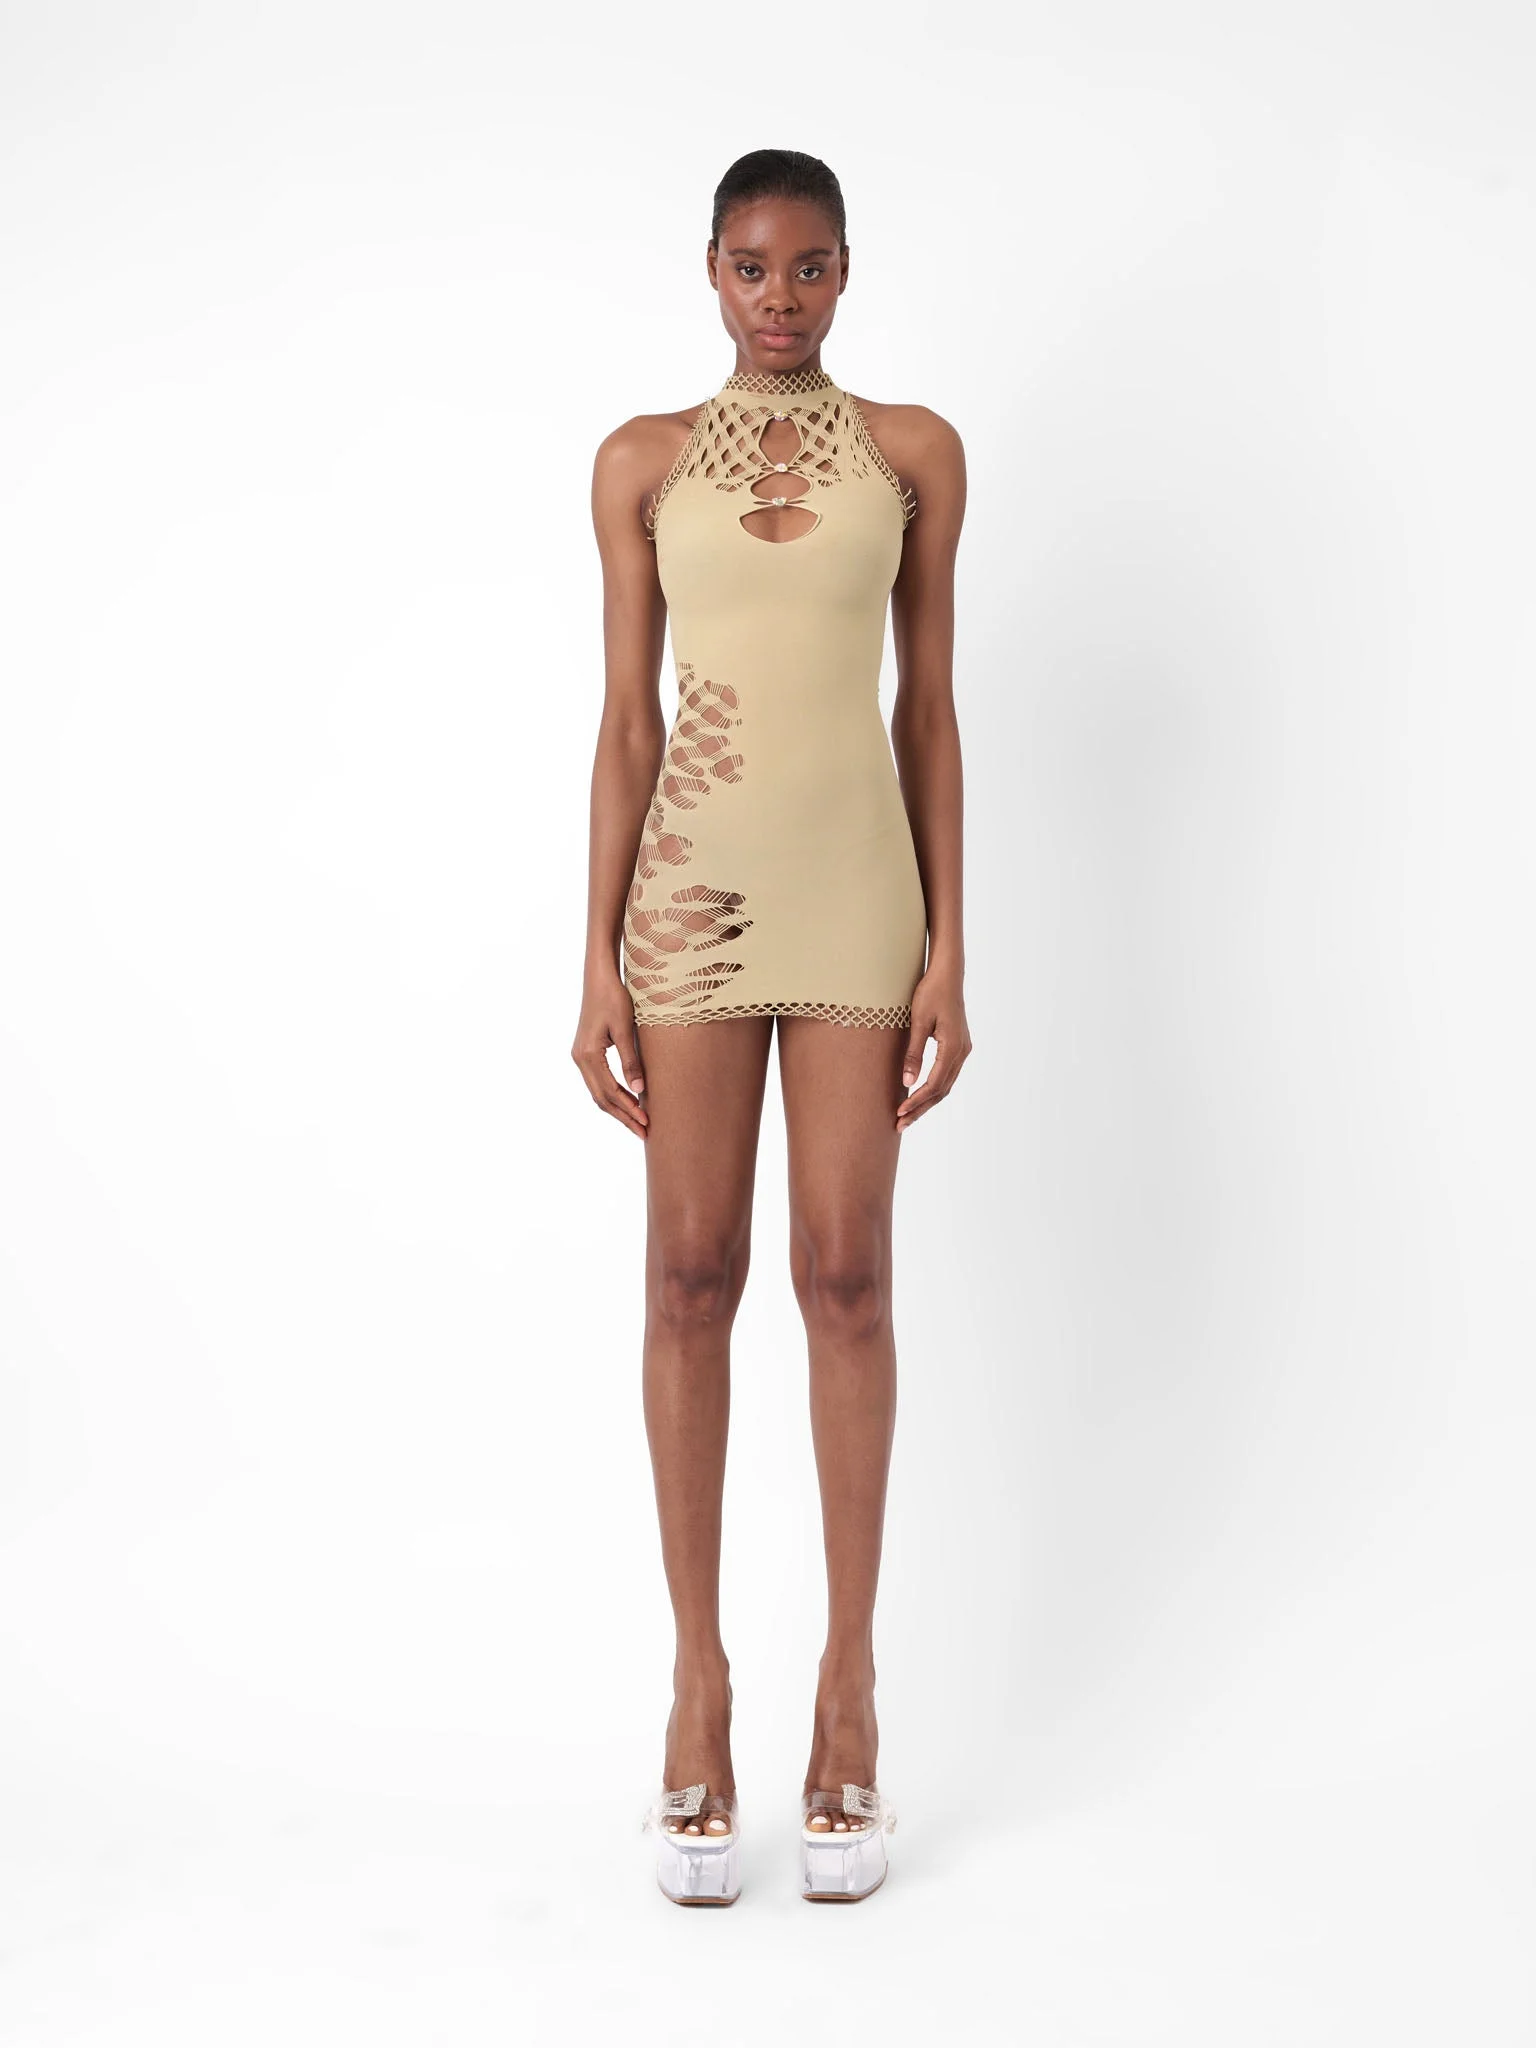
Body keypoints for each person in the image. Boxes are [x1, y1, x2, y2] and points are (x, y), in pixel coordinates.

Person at [573, 147, 970, 1905]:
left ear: (846, 272)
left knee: (847, 1278)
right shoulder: (642, 463)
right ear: (711, 272)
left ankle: (849, 1688)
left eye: (810, 268)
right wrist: (595, 960)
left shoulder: (915, 453)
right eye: (752, 267)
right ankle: (698, 1686)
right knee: (688, 1277)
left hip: (860, 898)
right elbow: (625, 722)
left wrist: (951, 946)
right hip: (691, 899)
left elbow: (928, 709)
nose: (781, 298)